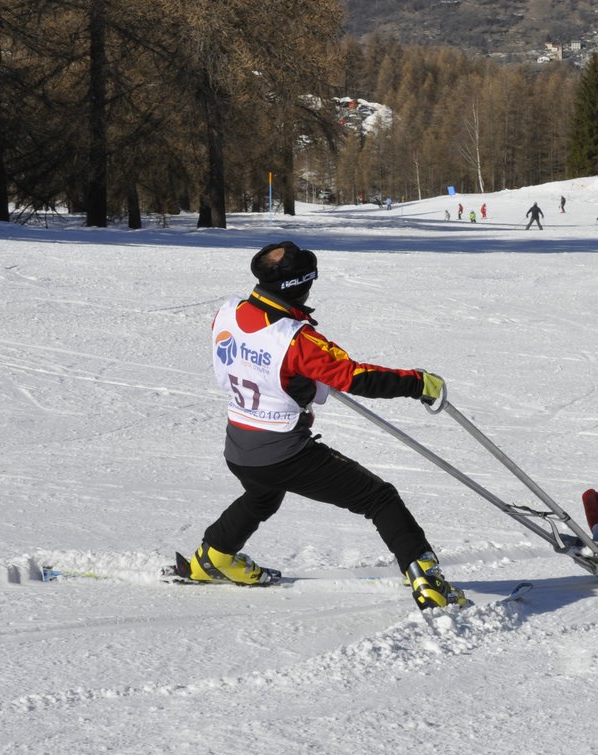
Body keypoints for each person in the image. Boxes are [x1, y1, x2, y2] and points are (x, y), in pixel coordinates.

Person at [188, 240, 470, 610]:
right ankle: (430, 584)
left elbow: (252, 353)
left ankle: (214, 557)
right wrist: (416, 382)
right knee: (379, 498)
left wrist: (297, 379)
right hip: (282, 451)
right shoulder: (296, 339)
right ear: (299, 287)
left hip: (239, 447)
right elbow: (356, 377)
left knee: (262, 495)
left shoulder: (227, 312)